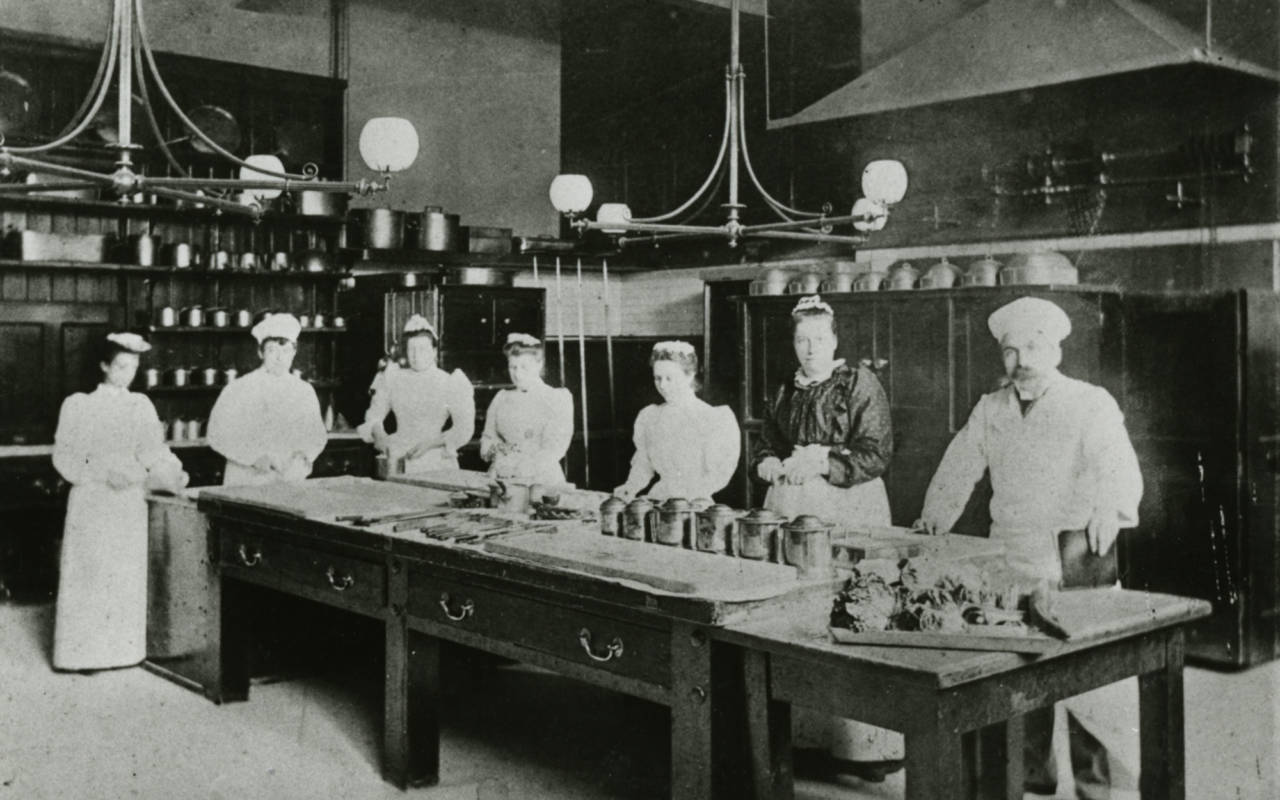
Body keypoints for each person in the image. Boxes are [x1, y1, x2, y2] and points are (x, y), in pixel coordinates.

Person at [920, 296, 1143, 800]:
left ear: (1056, 349)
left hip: (1075, 560)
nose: (1020, 361)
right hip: (1012, 557)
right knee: (1019, 685)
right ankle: (1032, 783)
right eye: (1009, 351)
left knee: (1093, 687)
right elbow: (959, 467)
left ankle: (1100, 790)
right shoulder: (991, 407)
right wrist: (936, 515)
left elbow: (1117, 463)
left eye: (1031, 347)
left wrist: (1110, 505)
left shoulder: (1090, 402)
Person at [750, 294, 904, 782]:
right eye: (801, 339)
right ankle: (805, 739)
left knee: (854, 608)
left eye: (819, 339)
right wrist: (768, 462)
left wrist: (825, 463)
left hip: (848, 504)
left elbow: (876, 453)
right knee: (799, 613)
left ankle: (863, 748)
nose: (810, 348)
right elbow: (767, 440)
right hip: (793, 504)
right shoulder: (786, 387)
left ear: (834, 339)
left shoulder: (858, 382)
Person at [51, 332, 188, 671]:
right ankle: (82, 655)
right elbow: (65, 456)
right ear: (104, 366)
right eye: (121, 366)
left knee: (123, 573)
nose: (127, 374)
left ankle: (123, 652)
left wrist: (146, 471)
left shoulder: (140, 405)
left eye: (133, 368)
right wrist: (101, 471)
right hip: (92, 500)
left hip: (127, 501)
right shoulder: (79, 404)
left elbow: (152, 451)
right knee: (91, 572)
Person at [206, 313, 328, 486]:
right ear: (260, 352)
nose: (280, 358)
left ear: (294, 352)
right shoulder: (239, 389)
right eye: (272, 350)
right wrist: (254, 457)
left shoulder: (304, 391)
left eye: (285, 351)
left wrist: (304, 455)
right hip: (247, 480)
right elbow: (216, 435)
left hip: (289, 481)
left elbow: (316, 436)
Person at [613, 340, 740, 501]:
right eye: (657, 378)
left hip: (694, 504)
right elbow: (644, 463)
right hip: (658, 500)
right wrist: (631, 486)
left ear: (690, 375)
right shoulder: (650, 417)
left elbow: (719, 475)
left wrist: (682, 496)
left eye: (669, 378)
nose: (662, 385)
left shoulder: (713, 418)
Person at [357, 315, 475, 474]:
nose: (416, 355)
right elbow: (374, 417)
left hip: (434, 457)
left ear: (433, 351)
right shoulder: (393, 378)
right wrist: (380, 436)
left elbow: (464, 429)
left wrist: (430, 444)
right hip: (398, 456)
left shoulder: (449, 382)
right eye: (411, 349)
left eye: (422, 349)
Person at [480, 333, 574, 485]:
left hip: (541, 479)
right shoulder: (501, 398)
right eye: (513, 367)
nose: (517, 374)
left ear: (539, 364)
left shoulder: (556, 398)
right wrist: (498, 454)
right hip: (502, 477)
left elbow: (555, 448)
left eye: (524, 367)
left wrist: (521, 468)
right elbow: (487, 438)